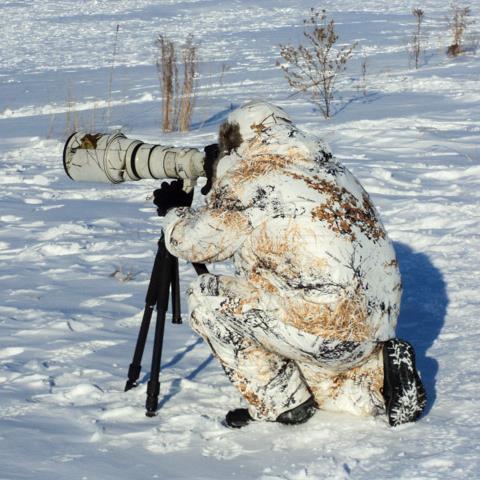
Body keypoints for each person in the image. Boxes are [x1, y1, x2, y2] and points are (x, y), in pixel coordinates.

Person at [154, 100, 426, 428]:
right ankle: (375, 377)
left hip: (321, 326)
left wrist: (174, 211)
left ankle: (281, 402)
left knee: (208, 298)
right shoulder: (328, 167)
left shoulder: (250, 178)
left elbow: (192, 243)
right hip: (371, 327)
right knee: (326, 382)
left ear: (233, 143)